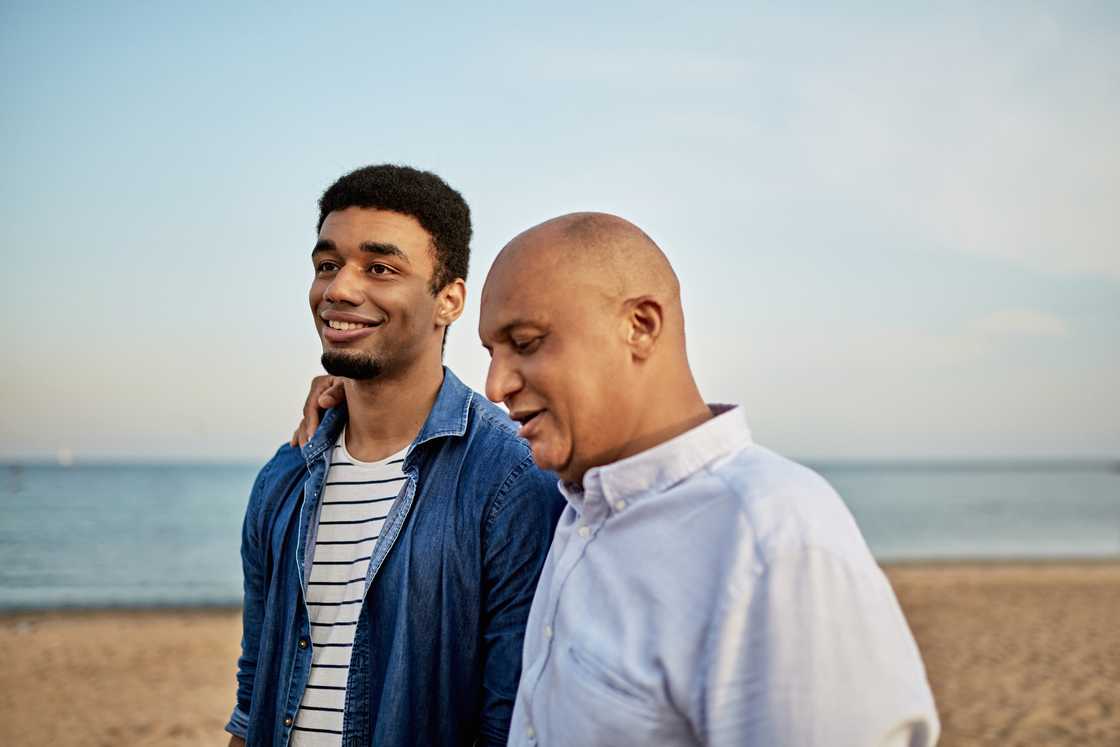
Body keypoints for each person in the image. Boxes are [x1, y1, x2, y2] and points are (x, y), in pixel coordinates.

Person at [298, 212, 940, 745]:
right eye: (492, 353)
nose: (497, 385)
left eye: (526, 341)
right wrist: (353, 397)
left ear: (641, 325)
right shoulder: (573, 509)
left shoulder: (770, 540)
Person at [226, 165, 563, 747]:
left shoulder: (510, 480)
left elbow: (508, 719)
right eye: (327, 265)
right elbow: (254, 693)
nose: (339, 290)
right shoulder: (283, 478)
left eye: (380, 268)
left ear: (449, 300)